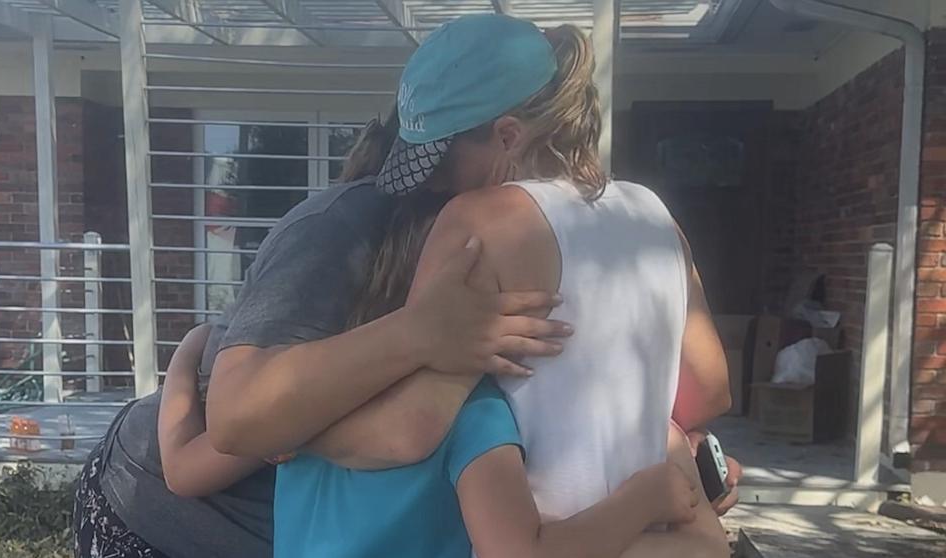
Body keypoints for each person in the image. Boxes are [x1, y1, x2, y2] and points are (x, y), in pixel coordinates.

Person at [207, 14, 731, 558]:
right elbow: (708, 391)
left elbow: (412, 428)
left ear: (507, 135)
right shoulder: (655, 218)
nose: (432, 181)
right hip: (653, 539)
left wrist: (293, 432)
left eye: (441, 157)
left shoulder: (481, 221)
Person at [72, 110, 573, 558]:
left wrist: (188, 352)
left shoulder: (450, 388)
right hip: (149, 515)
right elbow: (193, 463)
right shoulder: (320, 365)